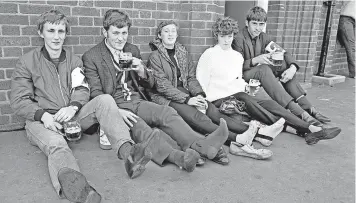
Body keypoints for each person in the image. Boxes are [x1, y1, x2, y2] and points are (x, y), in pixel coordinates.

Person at [10, 10, 162, 203]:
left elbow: (82, 88)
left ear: (66, 33)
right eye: (51, 31)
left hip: (71, 116)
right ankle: (78, 191)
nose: (57, 37)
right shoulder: (27, 61)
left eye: (61, 31)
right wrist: (43, 116)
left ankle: (129, 155)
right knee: (57, 144)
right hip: (41, 120)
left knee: (105, 100)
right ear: (41, 33)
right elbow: (19, 100)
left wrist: (73, 107)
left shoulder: (74, 60)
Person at [82, 9, 229, 168]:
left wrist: (141, 71)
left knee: (167, 112)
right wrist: (115, 112)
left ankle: (199, 146)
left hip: (136, 100)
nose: (120, 38)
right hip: (116, 105)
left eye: (124, 33)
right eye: (115, 33)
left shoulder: (132, 50)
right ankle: (178, 158)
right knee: (140, 127)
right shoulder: (92, 56)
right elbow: (96, 93)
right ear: (105, 32)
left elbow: (149, 84)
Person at [147, 20, 290, 160]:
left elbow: (191, 78)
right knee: (197, 117)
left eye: (173, 31)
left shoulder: (182, 52)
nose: (170, 34)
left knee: (211, 111)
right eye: (166, 31)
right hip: (165, 98)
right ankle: (242, 138)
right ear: (159, 36)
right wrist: (188, 99)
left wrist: (199, 95)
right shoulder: (155, 56)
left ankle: (255, 135)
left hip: (185, 92)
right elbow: (162, 86)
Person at [196, 17, 341, 148]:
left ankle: (307, 129)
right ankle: (309, 128)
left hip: (239, 95)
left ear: (233, 35)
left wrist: (247, 87)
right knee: (245, 97)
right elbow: (201, 81)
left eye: (229, 36)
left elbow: (237, 80)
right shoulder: (209, 55)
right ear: (217, 36)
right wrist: (203, 103)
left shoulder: (237, 57)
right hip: (217, 99)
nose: (226, 40)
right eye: (223, 36)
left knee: (270, 104)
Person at [233, 6, 331, 126]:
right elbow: (235, 66)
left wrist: (292, 68)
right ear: (247, 23)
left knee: (283, 64)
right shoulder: (238, 39)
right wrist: (255, 60)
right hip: (243, 74)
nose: (258, 28)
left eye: (261, 24)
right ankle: (299, 112)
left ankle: (309, 108)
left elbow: (284, 53)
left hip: (259, 71)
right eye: (254, 24)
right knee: (263, 69)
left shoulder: (264, 37)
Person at [337, 1, 355, 79]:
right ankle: (353, 73)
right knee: (351, 47)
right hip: (346, 19)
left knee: (350, 46)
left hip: (352, 21)